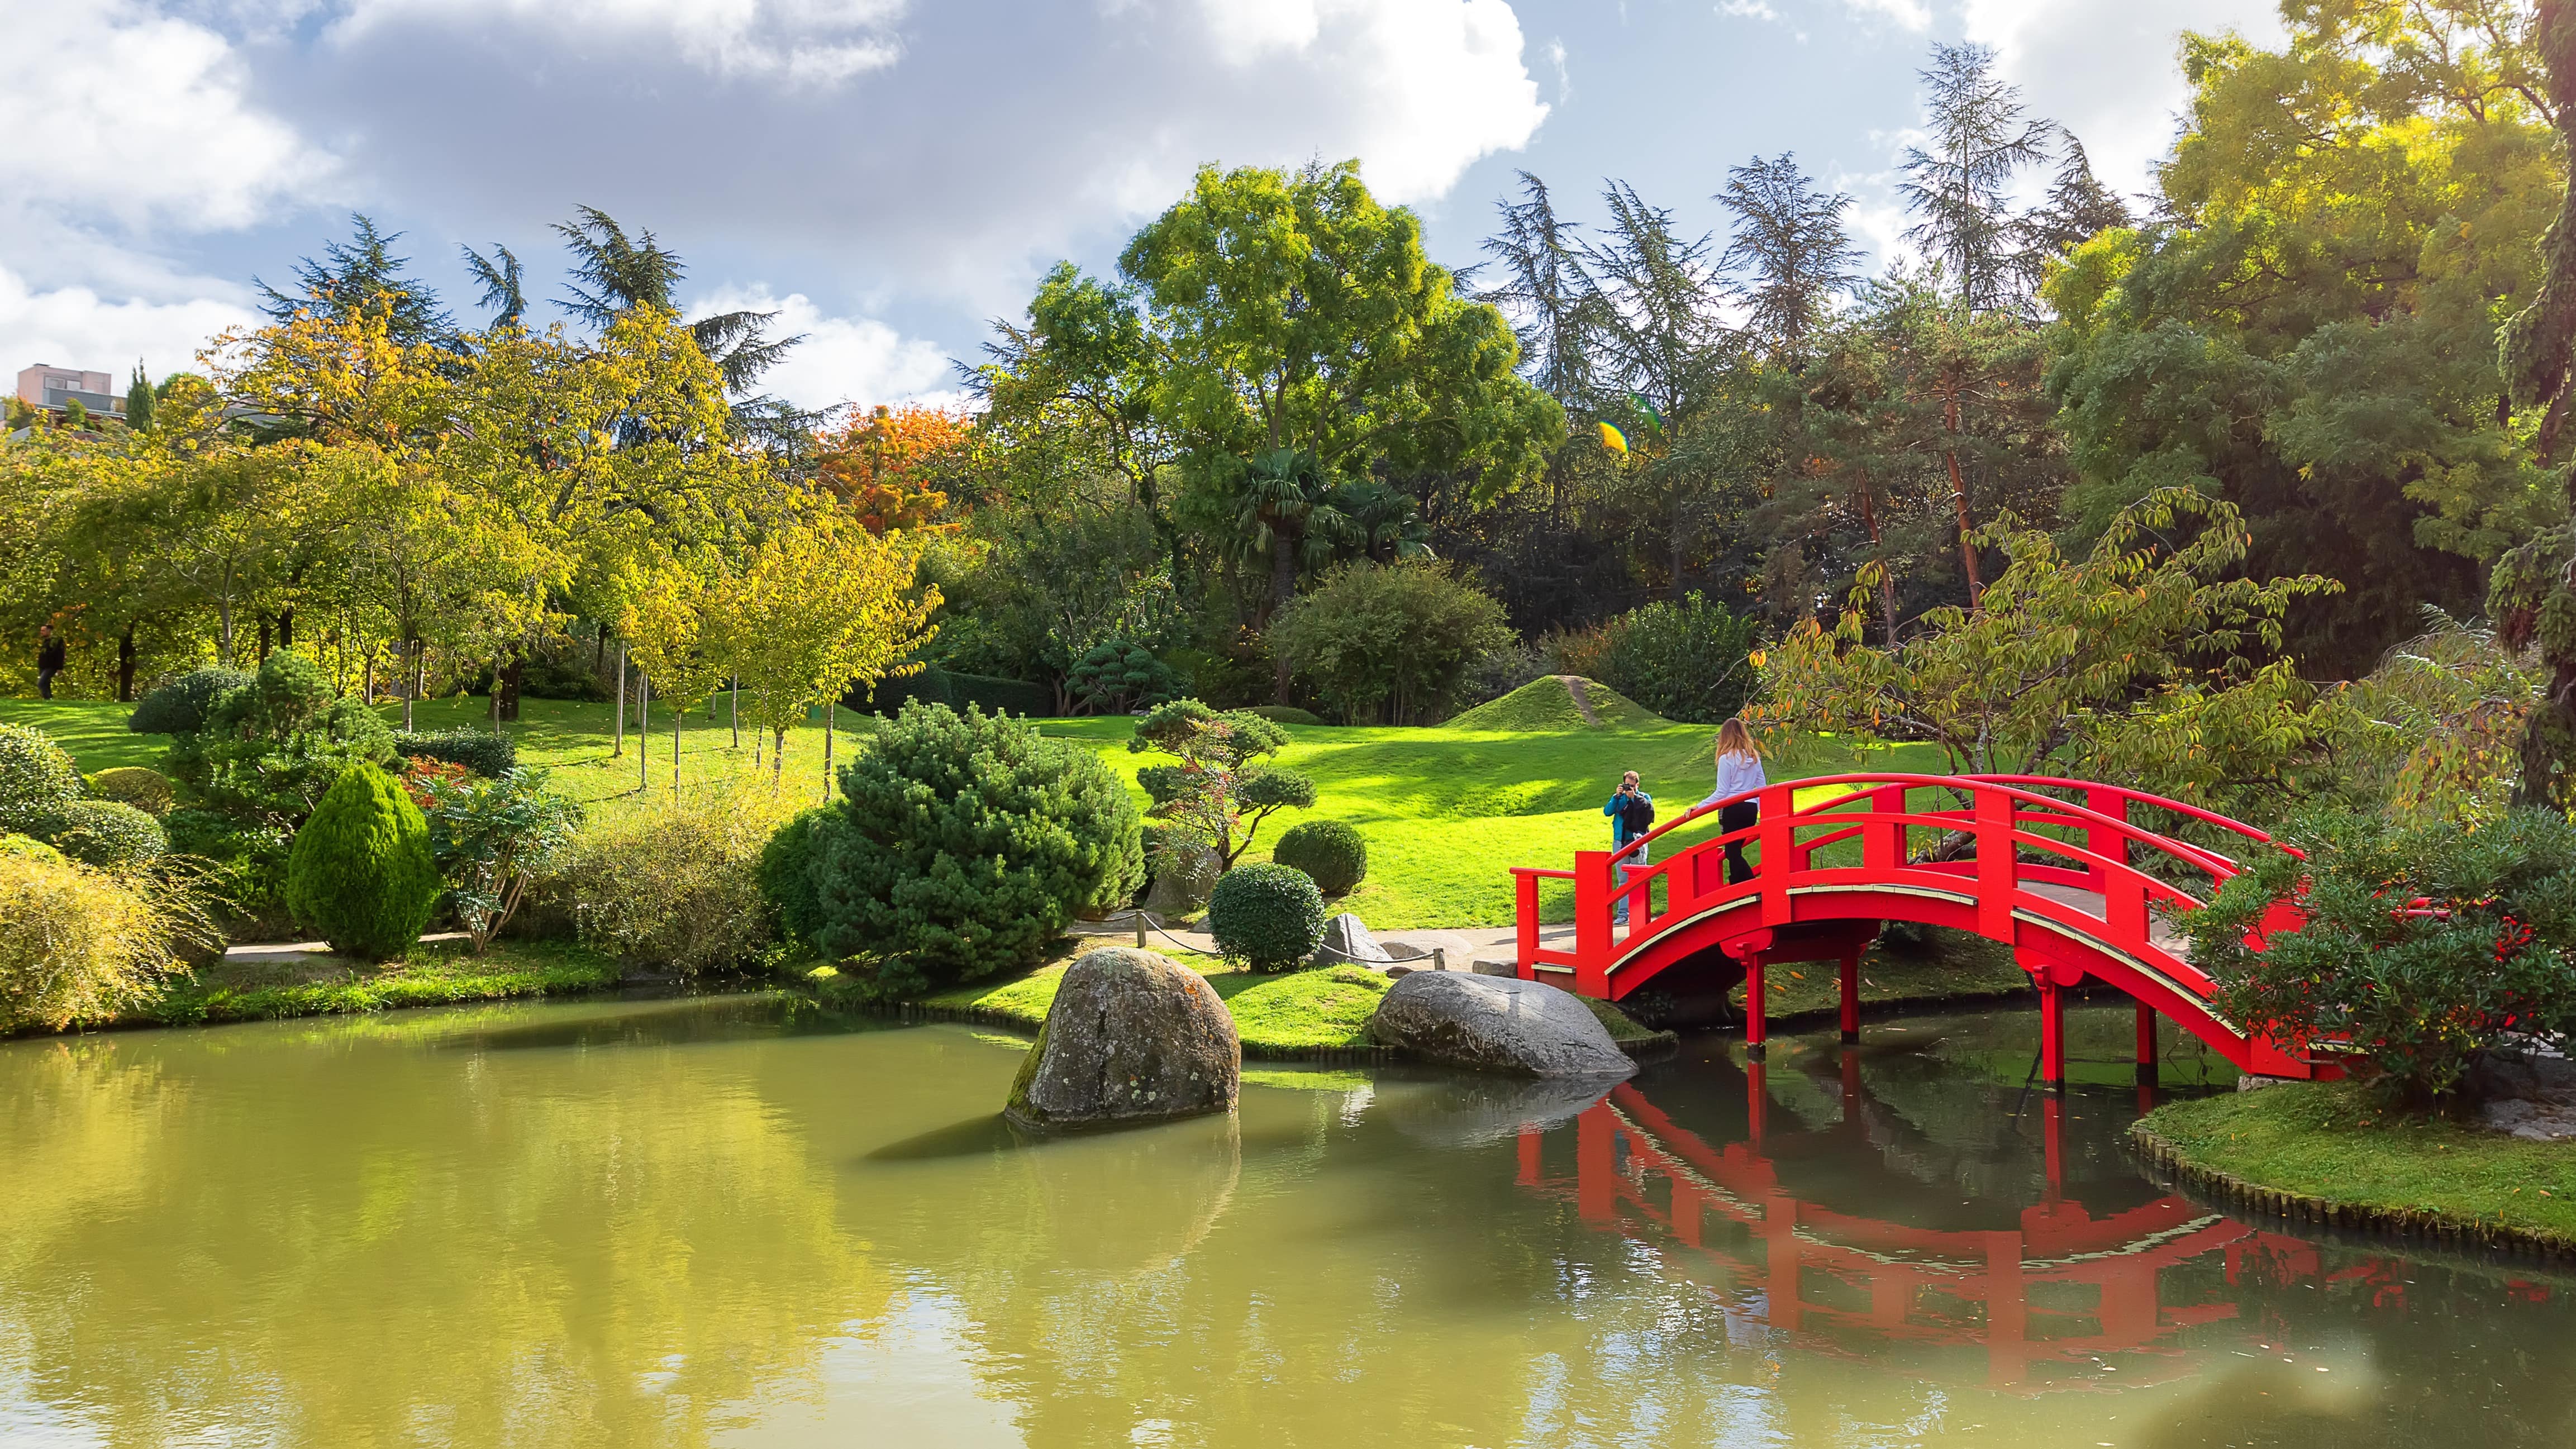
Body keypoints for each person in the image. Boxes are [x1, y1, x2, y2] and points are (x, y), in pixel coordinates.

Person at [1694, 718, 1765, 884]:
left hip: (1732, 809)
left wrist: (1699, 806)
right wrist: (1761, 811)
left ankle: (1751, 885)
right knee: (1734, 851)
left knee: (1732, 852)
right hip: (1750, 809)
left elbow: (1722, 791)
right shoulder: (1754, 758)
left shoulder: (1726, 759)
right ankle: (1738, 885)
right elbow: (1762, 787)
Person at [1603, 769, 1655, 924]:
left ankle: (1640, 913)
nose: (1629, 789)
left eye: (1632, 786)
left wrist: (1634, 798)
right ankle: (1623, 914)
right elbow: (1607, 812)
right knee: (1623, 879)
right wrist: (1617, 796)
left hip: (1638, 842)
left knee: (1639, 878)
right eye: (1626, 785)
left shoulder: (1644, 797)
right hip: (1620, 842)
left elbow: (1648, 811)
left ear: (1637, 785)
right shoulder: (1619, 798)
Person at [35, 624, 64, 701]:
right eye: (41, 631)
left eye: (43, 631)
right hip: (43, 666)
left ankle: (47, 699)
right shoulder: (45, 642)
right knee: (46, 684)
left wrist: (59, 668)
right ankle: (50, 700)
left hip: (51, 666)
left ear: (49, 631)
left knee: (41, 683)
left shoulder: (57, 641)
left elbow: (60, 655)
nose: (41, 632)